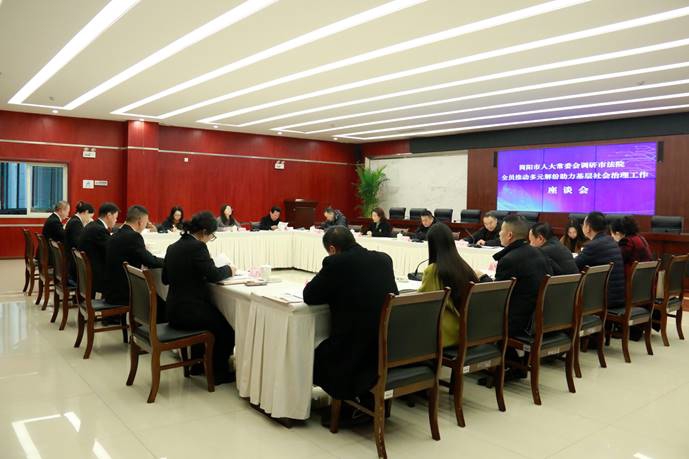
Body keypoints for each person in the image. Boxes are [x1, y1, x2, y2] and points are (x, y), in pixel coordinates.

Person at [303, 226, 398, 414]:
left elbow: (310, 295)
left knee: (313, 356)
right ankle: (362, 400)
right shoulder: (384, 259)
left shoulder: (336, 263)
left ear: (332, 249)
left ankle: (348, 404)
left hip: (353, 354)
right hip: (384, 348)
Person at [163, 211, 236, 385]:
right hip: (188, 312)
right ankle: (218, 372)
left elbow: (165, 279)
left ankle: (198, 365)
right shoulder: (198, 247)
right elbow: (214, 275)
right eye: (211, 236)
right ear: (204, 232)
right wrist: (229, 269)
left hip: (172, 309)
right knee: (227, 328)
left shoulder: (173, 247)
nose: (210, 239)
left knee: (208, 318)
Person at [418, 223, 479, 347]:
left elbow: (422, 302)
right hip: (467, 330)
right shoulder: (463, 266)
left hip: (446, 335)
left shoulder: (433, 270)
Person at [493, 215, 552, 337]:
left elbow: (498, 297)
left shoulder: (509, 260)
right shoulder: (540, 252)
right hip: (542, 317)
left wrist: (483, 278)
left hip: (519, 323)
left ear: (509, 235)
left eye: (501, 230)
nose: (499, 233)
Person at [104, 205, 164, 309]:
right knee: (162, 302)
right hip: (124, 293)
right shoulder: (134, 237)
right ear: (140, 221)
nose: (145, 226)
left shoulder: (116, 234)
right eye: (146, 223)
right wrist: (169, 261)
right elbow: (150, 261)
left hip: (111, 290)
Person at [575, 211, 625, 308]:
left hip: (604, 301)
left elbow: (574, 266)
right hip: (618, 297)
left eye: (583, 224)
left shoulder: (593, 246)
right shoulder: (612, 241)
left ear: (588, 228)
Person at [78, 202, 119, 296]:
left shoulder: (93, 225)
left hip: (86, 272)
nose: (116, 220)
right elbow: (112, 251)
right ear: (109, 215)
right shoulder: (99, 230)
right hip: (96, 275)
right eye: (115, 217)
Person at [65, 201, 94, 281]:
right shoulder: (76, 222)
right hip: (73, 261)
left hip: (70, 256)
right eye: (90, 216)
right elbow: (78, 243)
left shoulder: (74, 219)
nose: (89, 220)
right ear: (86, 212)